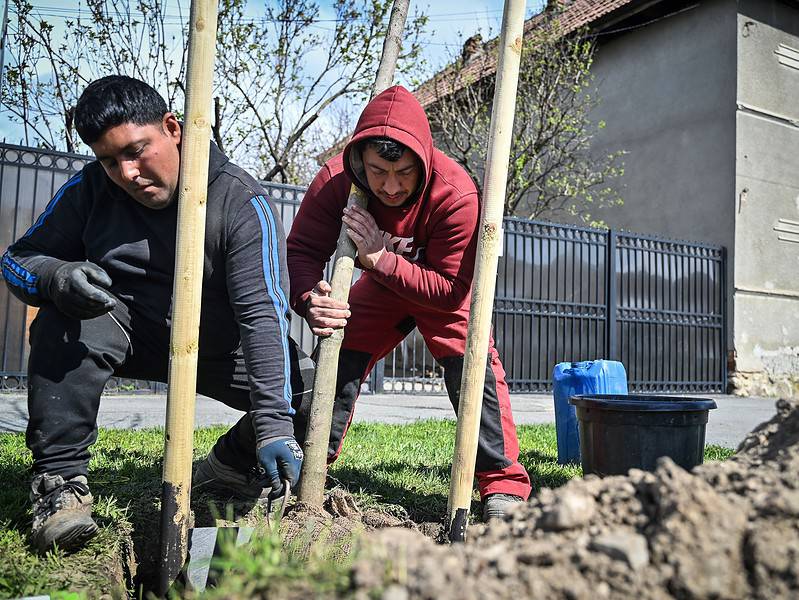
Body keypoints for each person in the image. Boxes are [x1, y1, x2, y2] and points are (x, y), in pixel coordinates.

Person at [1, 76, 309, 553]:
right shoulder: (90, 191)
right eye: (109, 160)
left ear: (173, 127)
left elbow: (262, 314)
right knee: (61, 318)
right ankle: (59, 486)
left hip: (218, 347)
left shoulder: (240, 202)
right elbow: (20, 260)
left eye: (137, 150)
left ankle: (229, 463)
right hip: (124, 328)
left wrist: (273, 424)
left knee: (308, 391)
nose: (126, 172)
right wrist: (57, 278)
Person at [287, 85, 532, 521]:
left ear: (422, 160)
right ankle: (307, 463)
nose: (391, 186)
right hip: (383, 285)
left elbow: (451, 292)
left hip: (440, 288)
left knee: (472, 361)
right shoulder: (336, 182)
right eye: (378, 171)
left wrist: (381, 259)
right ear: (360, 159)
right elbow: (302, 251)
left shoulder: (455, 195)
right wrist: (310, 299)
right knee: (339, 346)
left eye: (403, 173)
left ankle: (503, 485)